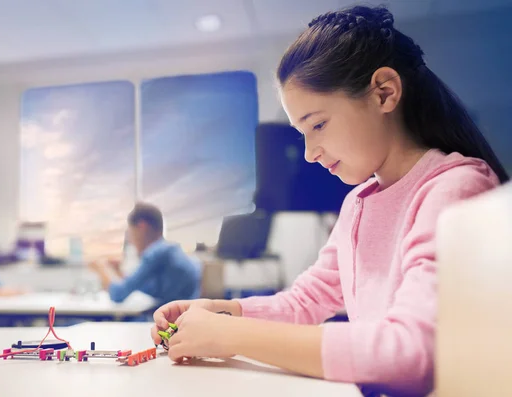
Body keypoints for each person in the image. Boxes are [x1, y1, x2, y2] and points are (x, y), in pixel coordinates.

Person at [149, 5, 508, 396]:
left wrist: (231, 334)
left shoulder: (454, 187)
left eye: (318, 124)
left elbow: (409, 352)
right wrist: (222, 311)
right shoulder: (357, 204)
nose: (309, 153)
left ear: (384, 92)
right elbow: (307, 300)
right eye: (302, 132)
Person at [89, 202, 201, 305]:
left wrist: (101, 269)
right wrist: (118, 272)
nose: (131, 241)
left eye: (131, 233)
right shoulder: (170, 251)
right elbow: (140, 287)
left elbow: (118, 295)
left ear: (142, 226)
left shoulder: (156, 253)